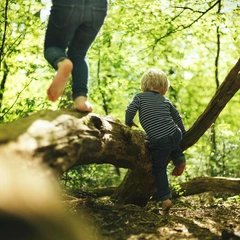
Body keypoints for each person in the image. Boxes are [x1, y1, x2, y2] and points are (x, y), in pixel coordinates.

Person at [125, 68, 186, 214]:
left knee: (158, 169)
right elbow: (177, 118)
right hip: (174, 133)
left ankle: (165, 199)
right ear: (164, 88)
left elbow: (129, 110)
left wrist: (128, 123)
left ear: (144, 86)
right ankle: (179, 158)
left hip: (159, 141)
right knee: (173, 140)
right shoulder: (165, 100)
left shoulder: (139, 97)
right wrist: (183, 132)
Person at [44, 0, 108, 112]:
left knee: (53, 47)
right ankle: (81, 100)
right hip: (98, 6)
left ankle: (62, 62)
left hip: (67, 4)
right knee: (79, 53)